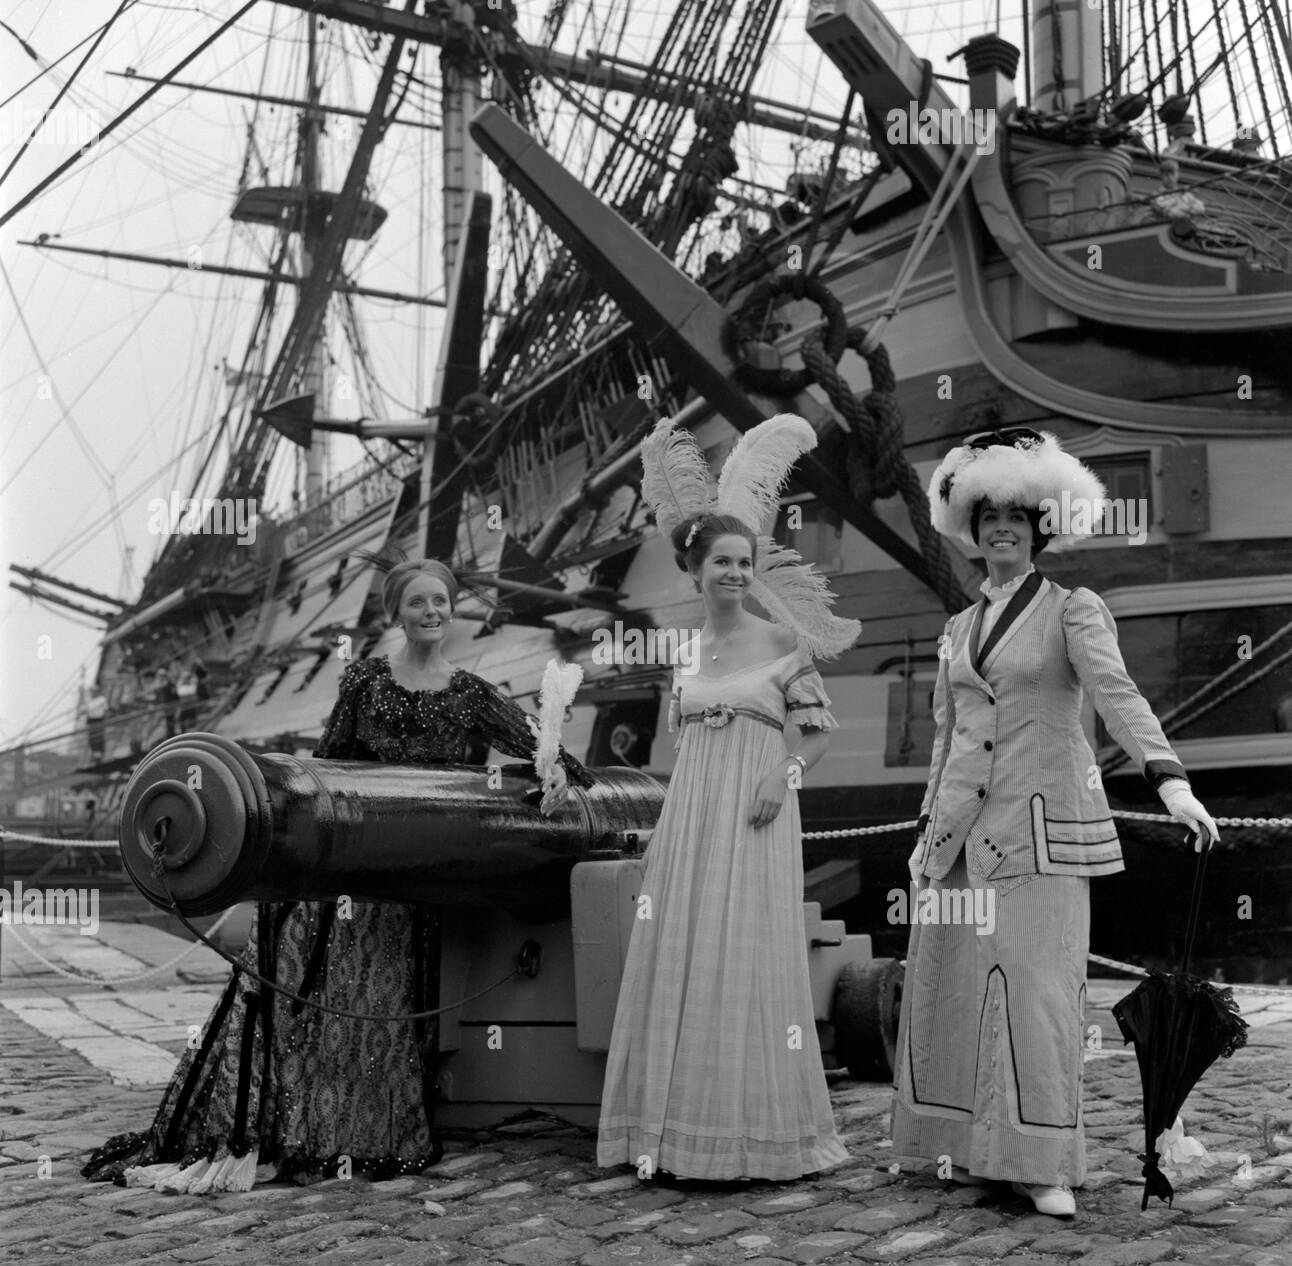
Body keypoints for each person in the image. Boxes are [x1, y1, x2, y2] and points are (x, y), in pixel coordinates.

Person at [84, 556, 593, 1193]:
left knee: (381, 1004)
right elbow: (326, 769)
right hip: (352, 867)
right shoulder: (366, 680)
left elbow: (553, 756)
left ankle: (360, 1126)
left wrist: (551, 774)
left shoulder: (472, 694)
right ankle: (307, 1124)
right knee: (328, 997)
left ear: (454, 608)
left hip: (411, 877)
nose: (431, 613)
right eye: (417, 604)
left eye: (441, 601)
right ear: (396, 615)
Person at [891, 428, 1220, 1219]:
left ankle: (1042, 1163)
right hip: (960, 841)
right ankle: (968, 1151)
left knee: (1037, 993)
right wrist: (926, 833)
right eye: (989, 514)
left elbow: (1118, 695)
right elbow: (945, 738)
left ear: (1040, 526)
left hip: (1039, 834)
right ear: (973, 527)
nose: (1003, 526)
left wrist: (1170, 781)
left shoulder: (1073, 609)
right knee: (955, 991)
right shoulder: (956, 630)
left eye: (1018, 515)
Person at [597, 415, 859, 1181]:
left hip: (756, 812)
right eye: (723, 562)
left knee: (746, 958)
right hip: (690, 819)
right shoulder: (686, 656)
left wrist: (782, 777)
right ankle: (676, 1133)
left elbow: (817, 733)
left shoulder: (782, 645)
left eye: (746, 562)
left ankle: (754, 1132)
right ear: (696, 570)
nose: (737, 574)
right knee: (682, 955)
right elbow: (683, 750)